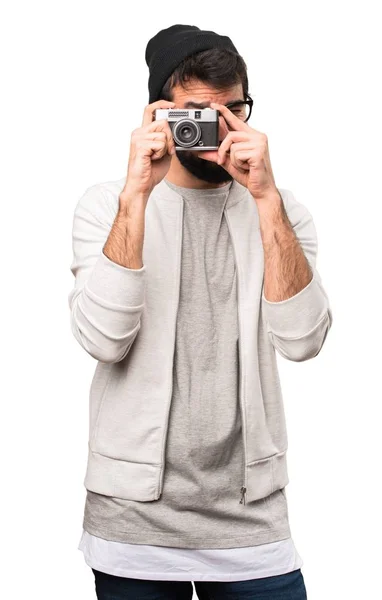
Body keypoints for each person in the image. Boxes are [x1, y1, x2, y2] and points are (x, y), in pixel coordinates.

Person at [69, 23, 332, 600]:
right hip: (133, 518)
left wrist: (266, 199)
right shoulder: (108, 205)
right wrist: (137, 194)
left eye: (230, 110)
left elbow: (303, 340)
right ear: (158, 114)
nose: (212, 128)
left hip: (251, 514)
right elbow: (103, 339)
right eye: (196, 112)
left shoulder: (281, 210)